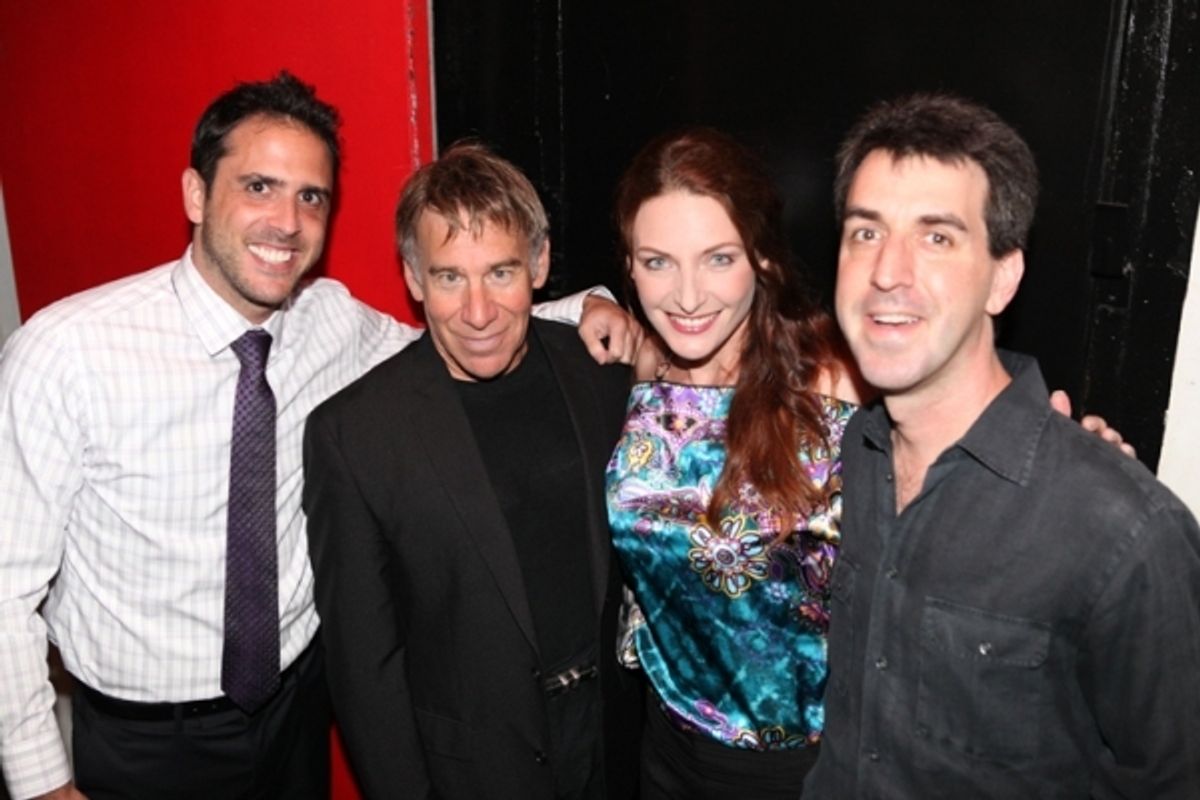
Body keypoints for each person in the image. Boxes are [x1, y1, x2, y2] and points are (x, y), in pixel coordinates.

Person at [0, 73, 634, 800]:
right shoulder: (66, 352)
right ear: (196, 195)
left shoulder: (328, 318)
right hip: (148, 742)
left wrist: (592, 305)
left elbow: (462, 329)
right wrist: (43, 783)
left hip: (297, 713)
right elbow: (3, 587)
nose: (287, 221)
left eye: (311, 196)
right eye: (259, 187)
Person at [806, 93, 1200, 798]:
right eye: (866, 232)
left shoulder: (1125, 532)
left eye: (937, 237)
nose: (887, 271)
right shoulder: (850, 457)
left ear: (1004, 276)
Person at [302, 142, 643, 800]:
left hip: (615, 743)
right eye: (450, 276)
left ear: (539, 265)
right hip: (471, 773)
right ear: (413, 276)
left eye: (501, 272)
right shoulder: (355, 434)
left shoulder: (599, 373)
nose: (478, 311)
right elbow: (364, 667)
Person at [605, 129, 861, 799]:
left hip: (800, 769)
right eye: (657, 262)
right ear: (629, 266)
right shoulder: (642, 367)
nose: (687, 296)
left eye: (718, 259)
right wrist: (583, 305)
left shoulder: (836, 381)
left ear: (763, 259)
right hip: (664, 746)